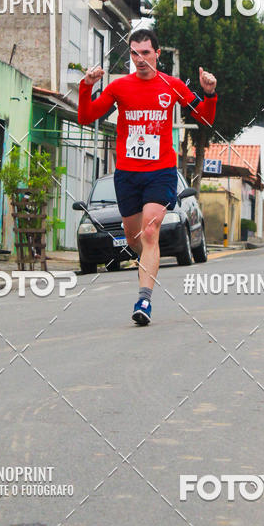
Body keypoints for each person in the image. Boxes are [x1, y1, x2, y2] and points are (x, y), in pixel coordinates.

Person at [77, 28, 217, 325]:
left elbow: (205, 117)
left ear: (157, 53)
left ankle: (144, 300)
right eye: (134, 53)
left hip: (160, 171)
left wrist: (209, 93)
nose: (139, 59)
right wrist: (86, 86)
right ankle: (148, 261)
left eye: (145, 53)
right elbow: (86, 117)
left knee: (150, 231)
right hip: (127, 174)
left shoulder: (172, 85)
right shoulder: (119, 87)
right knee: (134, 238)